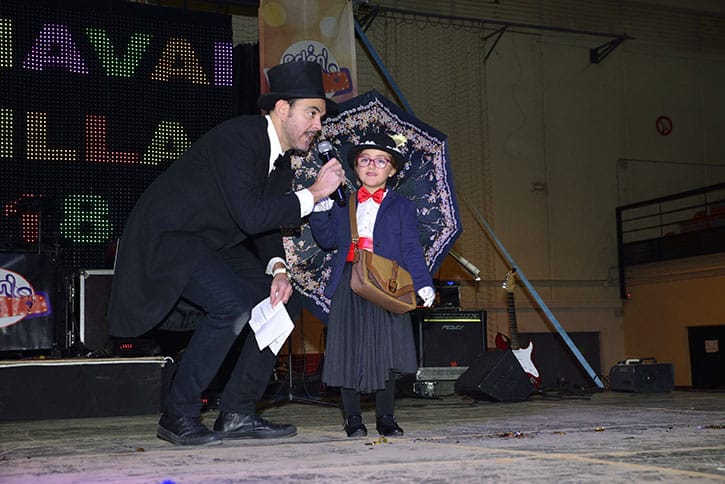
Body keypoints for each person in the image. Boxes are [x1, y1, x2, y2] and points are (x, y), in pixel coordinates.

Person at [107, 61, 346, 446]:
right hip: (171, 237)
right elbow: (251, 215)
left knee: (284, 302)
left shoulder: (281, 161)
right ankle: (178, 414)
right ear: (282, 109)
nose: (318, 125)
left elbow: (265, 225)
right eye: (312, 113)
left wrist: (279, 269)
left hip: (212, 242)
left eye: (320, 116)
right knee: (232, 305)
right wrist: (316, 192)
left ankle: (237, 411)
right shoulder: (240, 138)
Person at [309, 133, 436, 438]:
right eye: (364, 160)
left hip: (386, 283)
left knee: (386, 352)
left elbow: (411, 249)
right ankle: (353, 418)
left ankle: (386, 418)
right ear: (355, 167)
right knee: (347, 351)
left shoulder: (402, 206)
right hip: (350, 280)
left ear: (392, 170)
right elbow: (327, 240)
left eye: (381, 161)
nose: (371, 166)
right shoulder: (343, 202)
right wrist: (319, 210)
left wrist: (423, 283)